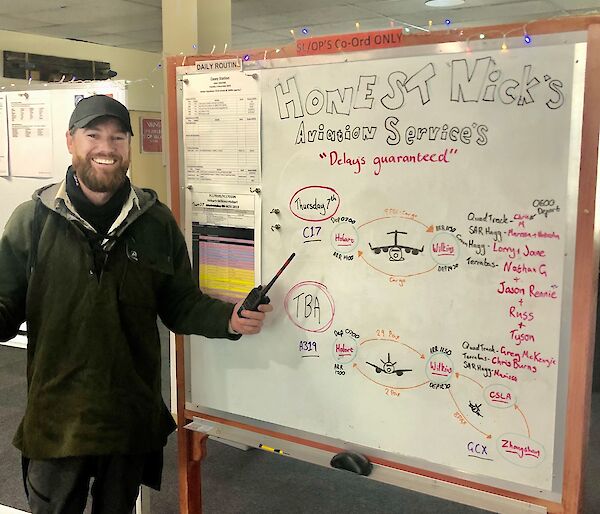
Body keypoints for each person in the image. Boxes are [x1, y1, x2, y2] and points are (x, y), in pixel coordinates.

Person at [0, 95, 273, 513]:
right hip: (56, 418)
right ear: (71, 140)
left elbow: (180, 303)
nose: (105, 147)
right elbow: (5, 309)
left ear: (128, 146)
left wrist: (230, 319)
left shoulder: (155, 222)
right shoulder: (33, 220)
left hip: (128, 415)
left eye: (117, 137)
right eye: (93, 135)